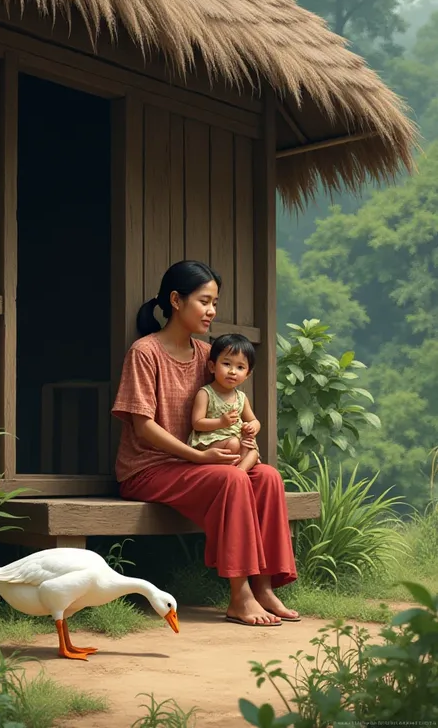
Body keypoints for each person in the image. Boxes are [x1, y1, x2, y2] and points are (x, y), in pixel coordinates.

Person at [112, 260, 299, 627]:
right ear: (177, 301)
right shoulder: (144, 352)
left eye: (215, 302)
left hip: (198, 464)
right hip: (148, 469)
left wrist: (245, 441)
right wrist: (199, 457)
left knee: (268, 477)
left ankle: (263, 587)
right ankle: (238, 595)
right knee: (231, 480)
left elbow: (230, 403)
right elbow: (143, 426)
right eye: (204, 301)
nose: (212, 310)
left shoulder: (206, 355)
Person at [188, 333, 260, 475]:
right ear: (212, 366)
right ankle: (236, 471)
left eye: (240, 367)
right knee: (233, 443)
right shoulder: (206, 393)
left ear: (247, 374)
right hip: (212, 441)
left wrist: (251, 427)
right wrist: (221, 422)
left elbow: (254, 420)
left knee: (253, 451)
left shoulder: (241, 397)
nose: (232, 371)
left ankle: (240, 472)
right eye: (226, 364)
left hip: (237, 441)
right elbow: (197, 423)